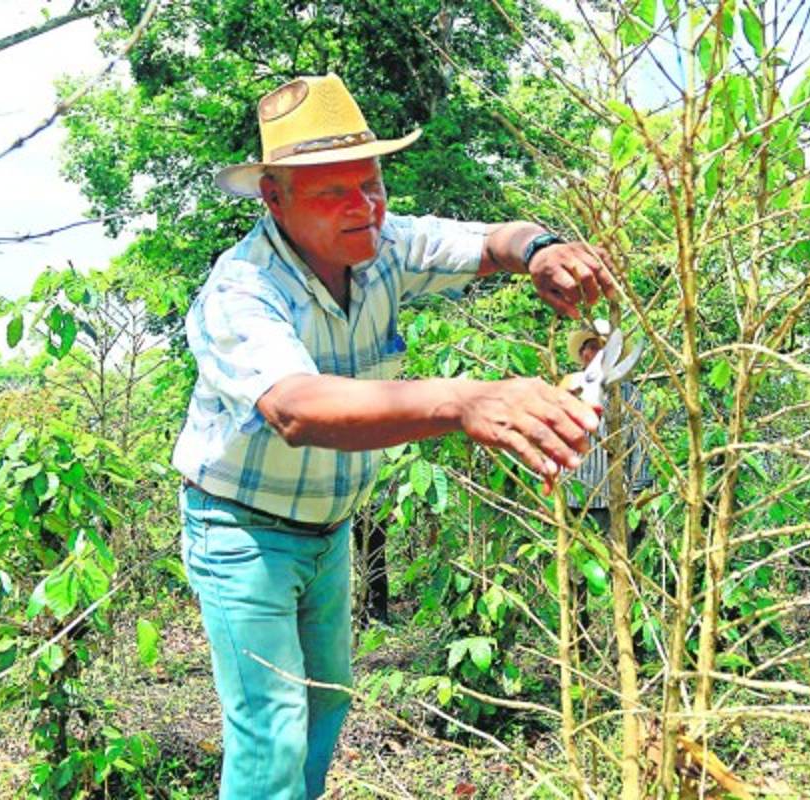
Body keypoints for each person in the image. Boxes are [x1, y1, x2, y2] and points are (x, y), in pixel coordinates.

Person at [172, 74, 616, 800]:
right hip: (240, 533)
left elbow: (489, 242)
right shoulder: (242, 290)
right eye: (332, 193)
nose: (363, 207)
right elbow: (297, 407)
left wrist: (541, 248)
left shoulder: (384, 243)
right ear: (273, 198)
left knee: (324, 702)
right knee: (272, 726)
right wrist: (462, 400)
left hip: (328, 528)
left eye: (370, 183)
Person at [564, 320, 653, 627]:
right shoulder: (571, 390)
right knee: (576, 571)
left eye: (603, 348)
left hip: (618, 499)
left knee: (625, 570)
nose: (597, 353)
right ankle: (577, 637)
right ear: (582, 354)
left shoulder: (629, 393)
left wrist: (640, 491)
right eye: (590, 347)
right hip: (577, 497)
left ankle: (629, 643)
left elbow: (639, 440)